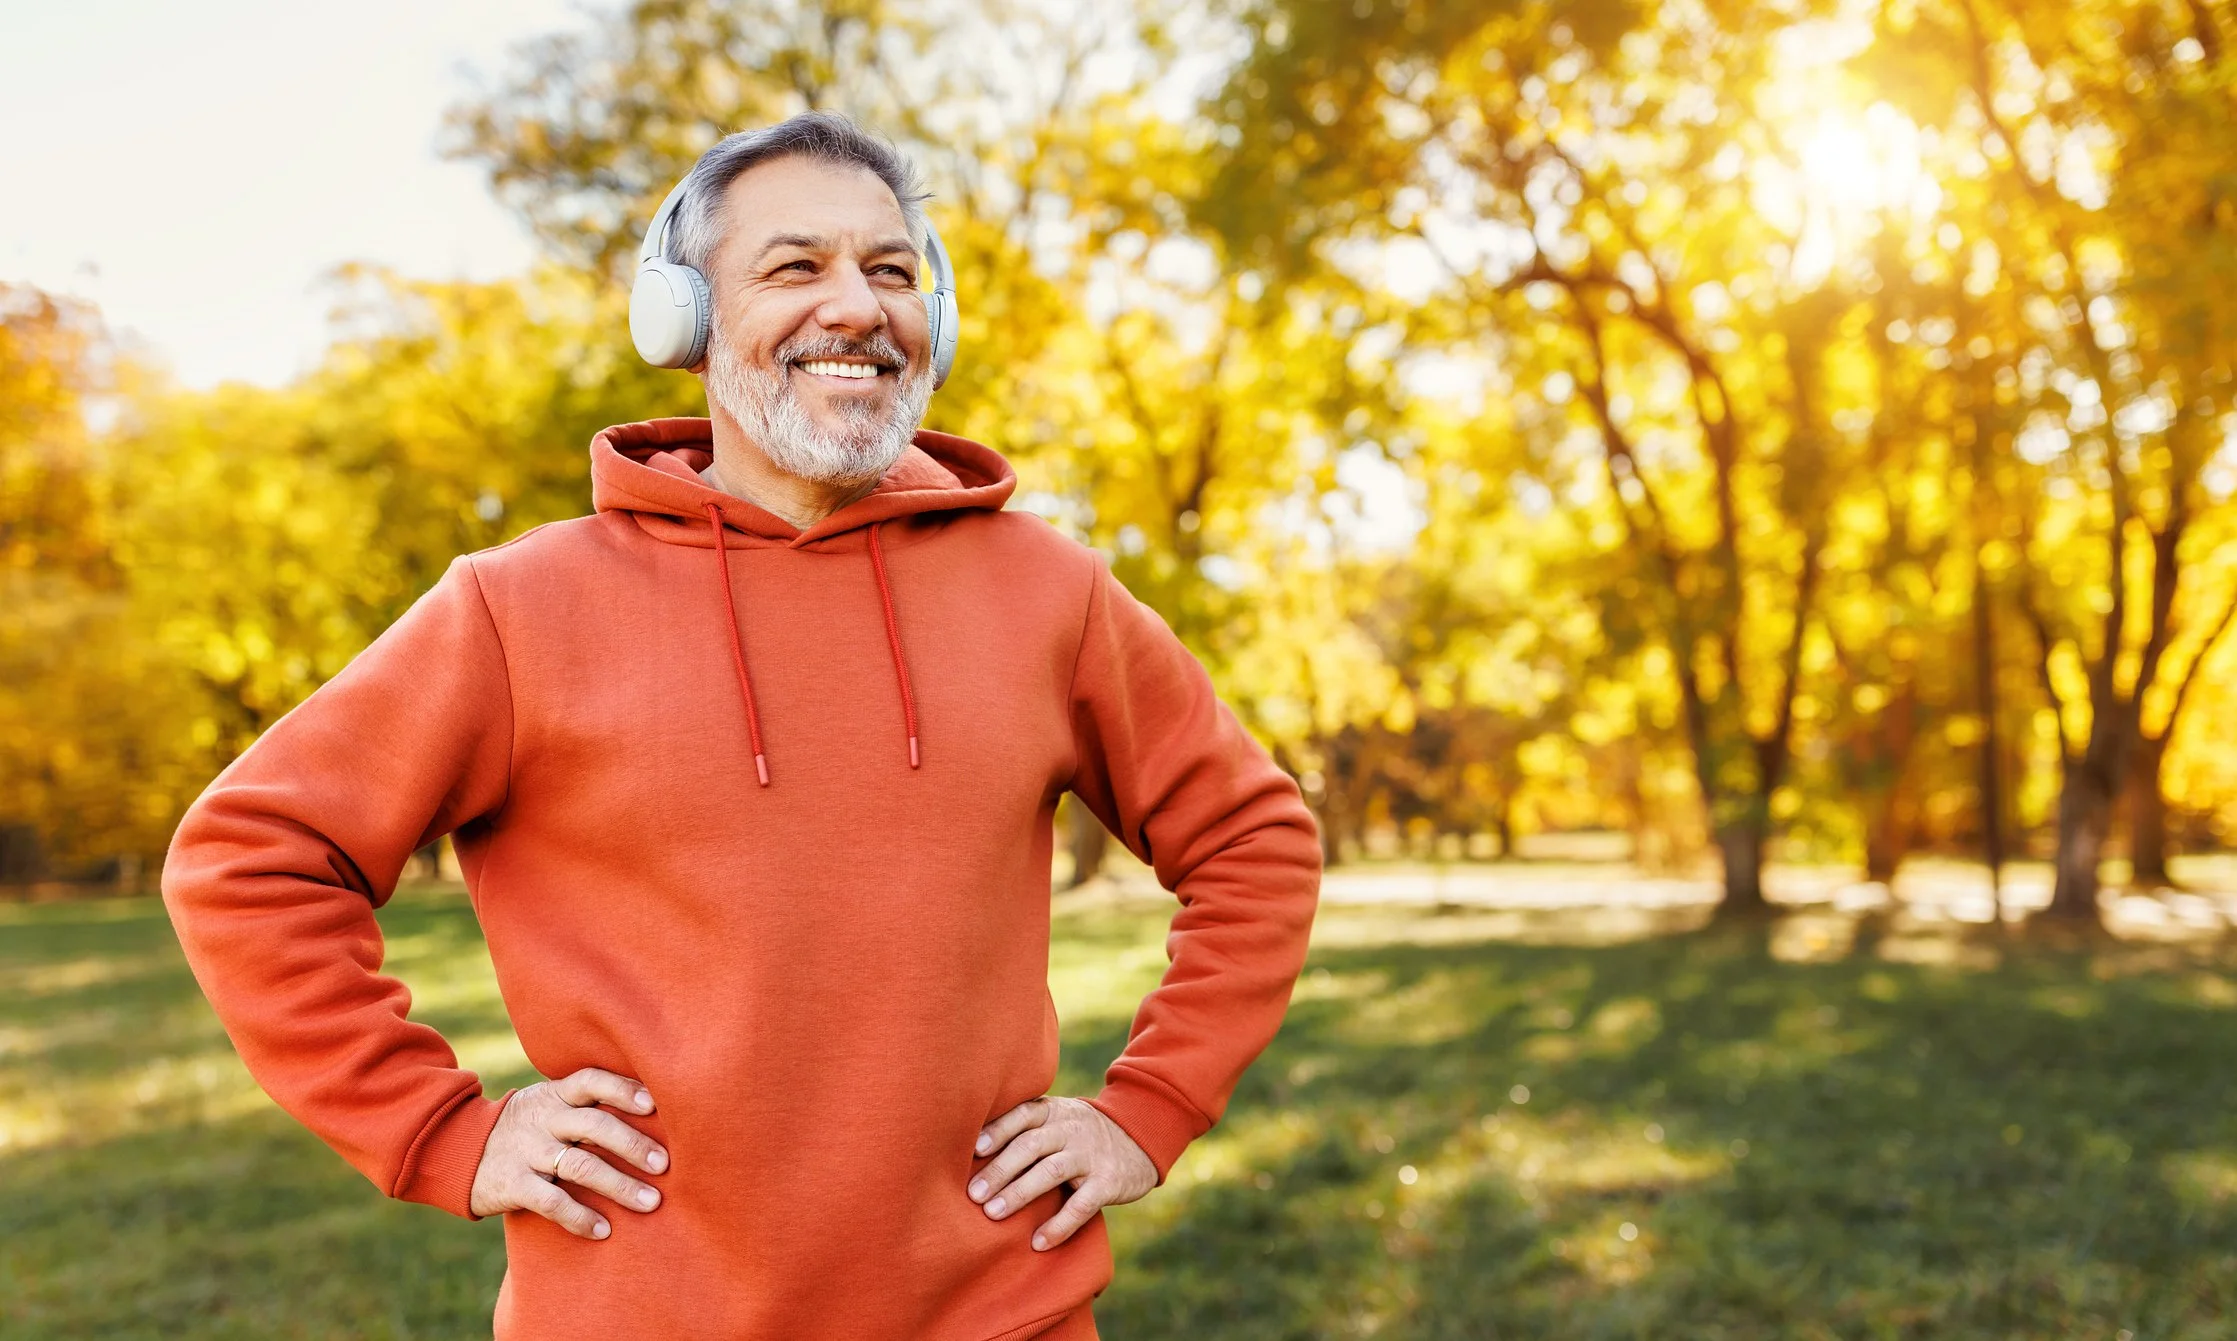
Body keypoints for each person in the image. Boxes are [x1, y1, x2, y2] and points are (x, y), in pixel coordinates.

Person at [160, 111, 1322, 1339]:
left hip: (1004, 1316)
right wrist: (442, 1129)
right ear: (685, 318)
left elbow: (1254, 841)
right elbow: (247, 860)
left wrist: (1149, 1109)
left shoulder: (1054, 592)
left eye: (890, 269)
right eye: (794, 266)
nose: (857, 308)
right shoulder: (515, 608)